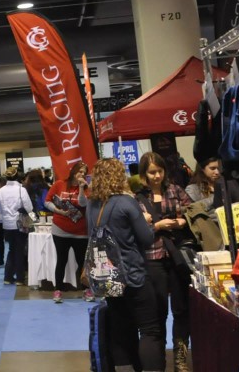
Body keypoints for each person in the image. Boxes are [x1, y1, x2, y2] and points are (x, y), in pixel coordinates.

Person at [86, 158, 163, 372]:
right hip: (133, 275)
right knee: (150, 330)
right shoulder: (126, 202)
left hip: (107, 276)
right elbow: (146, 239)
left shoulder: (92, 205)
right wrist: (147, 220)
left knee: (121, 331)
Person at [136, 152, 194, 372]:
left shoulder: (176, 190)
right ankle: (157, 360)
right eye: (152, 172)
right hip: (152, 257)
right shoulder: (137, 197)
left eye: (159, 171)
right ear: (144, 174)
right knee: (157, 313)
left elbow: (193, 212)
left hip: (178, 255)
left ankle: (180, 359)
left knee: (181, 309)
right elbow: (136, 230)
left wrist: (181, 221)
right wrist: (158, 227)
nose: (157, 176)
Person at [44, 161, 94, 303]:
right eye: (80, 171)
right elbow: (47, 201)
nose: (82, 174)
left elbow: (83, 203)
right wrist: (58, 211)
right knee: (61, 260)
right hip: (60, 229)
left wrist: (81, 188)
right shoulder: (59, 184)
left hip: (81, 231)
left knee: (82, 261)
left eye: (84, 172)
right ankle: (58, 290)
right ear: (73, 171)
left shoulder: (86, 188)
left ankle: (86, 289)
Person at [0, 166, 34, 286]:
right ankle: (20, 278)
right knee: (20, 251)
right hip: (20, 223)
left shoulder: (0, 191)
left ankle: (8, 276)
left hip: (7, 224)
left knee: (12, 249)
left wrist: (7, 214)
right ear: (17, 176)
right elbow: (29, 207)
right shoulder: (21, 190)